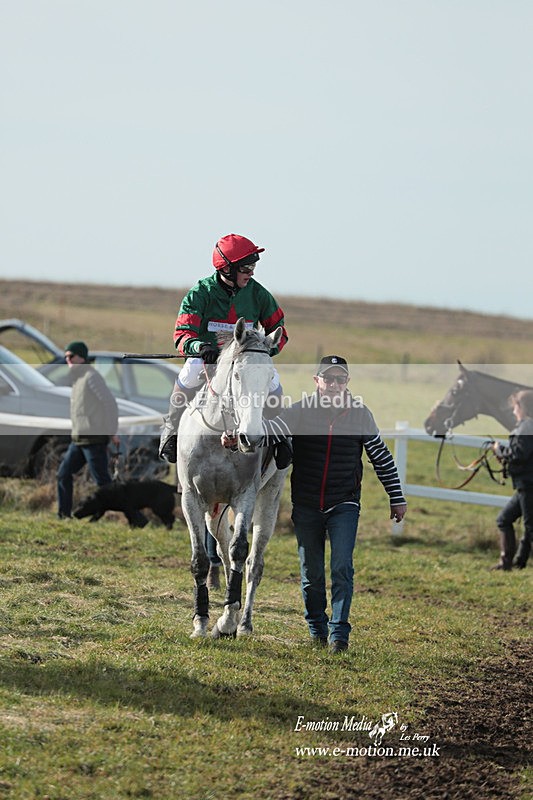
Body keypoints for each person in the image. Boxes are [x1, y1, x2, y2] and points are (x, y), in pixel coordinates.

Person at [223, 355, 407, 653]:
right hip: (307, 504)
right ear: (316, 381)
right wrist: (238, 438)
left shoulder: (360, 414)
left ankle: (339, 635)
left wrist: (396, 497)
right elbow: (272, 431)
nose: (334, 384)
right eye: (328, 378)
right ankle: (317, 630)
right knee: (312, 573)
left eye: (340, 379)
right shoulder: (300, 412)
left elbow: (381, 457)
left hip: (344, 503)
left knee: (342, 567)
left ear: (347, 383)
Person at [159, 232, 288, 463]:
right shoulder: (200, 293)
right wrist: (199, 346)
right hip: (209, 358)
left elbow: (279, 329)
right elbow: (182, 334)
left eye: (253, 268)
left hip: (247, 358)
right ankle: (170, 432)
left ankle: (282, 439)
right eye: (246, 269)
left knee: (275, 386)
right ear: (227, 269)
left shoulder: (259, 294)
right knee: (188, 375)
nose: (251, 273)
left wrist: (263, 350)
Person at [57, 341, 119, 519]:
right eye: (66, 357)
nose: (67, 360)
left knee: (103, 483)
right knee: (63, 474)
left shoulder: (92, 377)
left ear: (82, 358)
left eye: (71, 356)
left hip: (94, 441)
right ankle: (63, 515)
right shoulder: (77, 379)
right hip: (78, 440)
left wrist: (112, 431)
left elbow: (110, 403)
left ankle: (126, 514)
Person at [491, 389, 533, 570]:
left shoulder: (526, 427)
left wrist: (500, 451)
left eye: (515, 406)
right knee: (504, 519)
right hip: (524, 485)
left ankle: (514, 562)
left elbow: (519, 455)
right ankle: (509, 562)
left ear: (522, 407)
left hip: (529, 484)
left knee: (530, 527)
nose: (513, 411)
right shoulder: (526, 426)